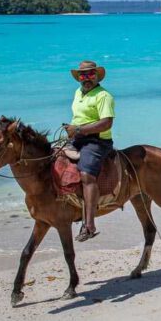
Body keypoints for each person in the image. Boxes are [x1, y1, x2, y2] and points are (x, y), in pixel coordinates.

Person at [63, 60, 115, 242]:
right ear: (78, 78)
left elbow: (107, 122)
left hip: (97, 140)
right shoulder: (78, 92)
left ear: (96, 76)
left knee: (87, 175)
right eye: (83, 76)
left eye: (90, 75)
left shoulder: (103, 96)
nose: (86, 79)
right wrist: (72, 130)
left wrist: (79, 130)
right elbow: (78, 116)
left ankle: (89, 224)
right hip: (78, 137)